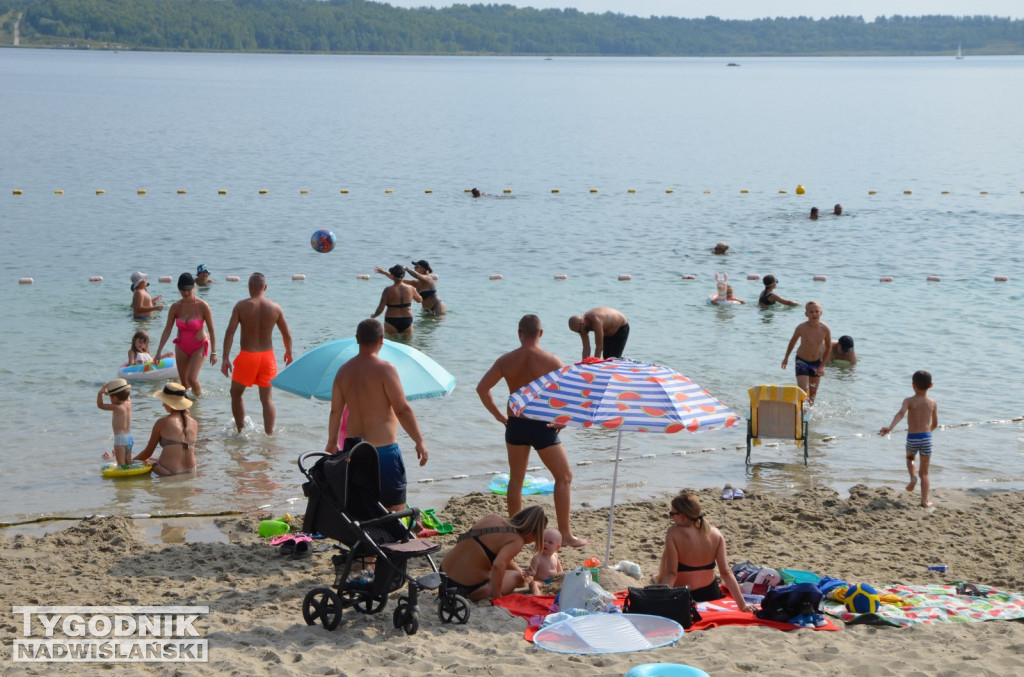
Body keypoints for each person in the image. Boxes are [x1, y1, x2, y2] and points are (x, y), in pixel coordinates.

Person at [477, 314, 588, 547]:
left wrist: (499, 416)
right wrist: (564, 420)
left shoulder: (506, 360)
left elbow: (482, 388)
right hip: (542, 425)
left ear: (519, 334)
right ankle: (565, 535)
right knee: (564, 477)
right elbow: (574, 393)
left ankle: (515, 532)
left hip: (515, 423)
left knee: (516, 478)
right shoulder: (551, 360)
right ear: (540, 333)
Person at [326, 319, 428, 512]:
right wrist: (419, 440)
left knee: (362, 504)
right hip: (383, 449)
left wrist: (332, 442)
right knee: (395, 507)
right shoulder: (385, 369)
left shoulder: (343, 371)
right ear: (382, 340)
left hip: (354, 449)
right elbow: (402, 409)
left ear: (357, 339)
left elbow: (336, 411)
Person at [221, 272, 293, 435]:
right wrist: (288, 352)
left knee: (236, 394)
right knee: (267, 399)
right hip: (268, 358)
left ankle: (240, 432)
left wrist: (225, 357)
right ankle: (269, 435)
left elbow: (230, 332)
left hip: (248, 356)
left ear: (249, 287)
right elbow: (287, 334)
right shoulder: (275, 307)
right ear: (265, 287)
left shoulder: (241, 306)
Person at [657, 493, 750, 612]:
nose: (671, 518)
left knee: (656, 579)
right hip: (710, 593)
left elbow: (671, 573)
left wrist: (660, 602)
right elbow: (726, 572)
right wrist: (743, 605)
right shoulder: (716, 533)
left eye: (672, 514)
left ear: (682, 516)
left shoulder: (673, 533)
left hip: (684, 594)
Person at [439, 506, 547, 602]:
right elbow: (498, 565)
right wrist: (497, 596)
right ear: (533, 534)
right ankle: (515, 585)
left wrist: (520, 570)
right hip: (466, 588)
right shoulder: (517, 540)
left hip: (444, 576)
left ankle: (522, 578)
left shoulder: (493, 518)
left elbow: (498, 555)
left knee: (518, 573)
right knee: (518, 576)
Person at [879, 370, 938, 508]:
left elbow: (900, 414)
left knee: (910, 459)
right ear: (931, 385)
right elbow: (934, 424)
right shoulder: (933, 403)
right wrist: (928, 433)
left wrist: (890, 427)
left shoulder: (909, 401)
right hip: (927, 438)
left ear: (913, 385)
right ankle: (924, 501)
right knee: (925, 472)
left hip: (912, 437)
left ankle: (912, 478)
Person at [154, 273, 217, 396]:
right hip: (182, 347)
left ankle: (199, 405)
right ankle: (187, 409)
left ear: (193, 288)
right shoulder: (175, 307)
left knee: (192, 379)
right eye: (183, 290)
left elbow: (212, 329)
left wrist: (214, 352)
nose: (186, 293)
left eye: (189, 290)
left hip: (199, 346)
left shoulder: (203, 306)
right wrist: (158, 352)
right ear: (179, 289)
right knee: (184, 383)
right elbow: (167, 330)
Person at [134, 383, 198, 476]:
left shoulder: (162, 422)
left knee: (146, 462)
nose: (163, 404)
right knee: (152, 459)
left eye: (164, 400)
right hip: (191, 471)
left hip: (169, 472)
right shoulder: (194, 423)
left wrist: (129, 463)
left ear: (169, 402)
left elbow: (147, 453)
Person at [781, 301, 832, 405]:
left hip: (816, 363)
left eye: (816, 311)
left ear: (821, 313)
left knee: (812, 396)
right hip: (802, 361)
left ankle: (807, 417)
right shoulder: (801, 328)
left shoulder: (825, 329)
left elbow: (828, 348)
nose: (814, 314)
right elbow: (792, 342)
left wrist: (822, 366)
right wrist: (786, 358)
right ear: (806, 314)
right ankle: (801, 414)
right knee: (803, 392)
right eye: (811, 312)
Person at [371, 264, 420, 336]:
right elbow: (419, 300)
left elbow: (381, 308)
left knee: (391, 344)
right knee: (407, 345)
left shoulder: (387, 290)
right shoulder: (411, 289)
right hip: (407, 320)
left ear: (393, 276)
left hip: (391, 320)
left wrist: (374, 316)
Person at [97, 379, 133, 466]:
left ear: (115, 398)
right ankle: (132, 477)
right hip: (129, 438)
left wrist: (100, 393)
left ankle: (124, 479)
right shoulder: (129, 402)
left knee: (121, 464)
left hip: (120, 439)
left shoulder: (117, 407)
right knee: (128, 462)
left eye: (110, 397)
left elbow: (100, 405)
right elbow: (125, 392)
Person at [526, 528, 564, 595]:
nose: (545, 543)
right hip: (541, 582)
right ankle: (537, 595)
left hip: (554, 581)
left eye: (550, 542)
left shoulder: (555, 556)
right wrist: (531, 572)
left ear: (557, 547)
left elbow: (560, 571)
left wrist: (562, 577)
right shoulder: (537, 557)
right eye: (543, 541)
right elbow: (533, 572)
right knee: (534, 584)